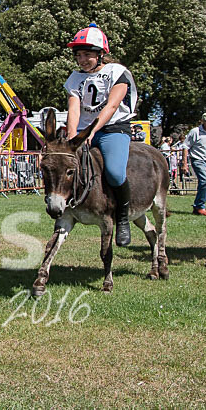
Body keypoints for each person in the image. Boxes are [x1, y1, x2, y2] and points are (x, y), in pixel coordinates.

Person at [64, 23, 138, 246]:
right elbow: (74, 108)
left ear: (101, 53)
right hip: (83, 130)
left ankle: (122, 219)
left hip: (112, 128)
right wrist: (72, 136)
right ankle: (66, 208)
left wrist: (92, 130)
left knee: (115, 173)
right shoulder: (74, 78)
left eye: (87, 54)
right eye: (79, 55)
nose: (82, 59)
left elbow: (112, 107)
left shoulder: (118, 73)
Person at [182, 112, 206, 216]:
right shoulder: (195, 132)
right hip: (197, 160)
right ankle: (200, 206)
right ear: (203, 121)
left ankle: (197, 207)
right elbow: (185, 147)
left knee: (205, 184)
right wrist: (184, 164)